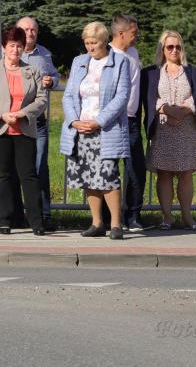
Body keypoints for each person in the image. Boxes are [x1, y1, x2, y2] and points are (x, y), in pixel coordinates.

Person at [0, 16, 59, 231]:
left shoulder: (33, 71)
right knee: (3, 175)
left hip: (24, 128)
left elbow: (41, 99)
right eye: (12, 45)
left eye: (19, 46)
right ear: (4, 47)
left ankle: (36, 221)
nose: (16, 50)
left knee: (29, 175)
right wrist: (2, 115)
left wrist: (22, 113)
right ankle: (5, 220)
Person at [60, 21, 131, 240]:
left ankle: (116, 224)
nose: (90, 47)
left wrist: (99, 121)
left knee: (108, 175)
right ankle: (97, 222)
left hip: (106, 129)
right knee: (88, 176)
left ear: (104, 41)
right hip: (81, 129)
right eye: (87, 43)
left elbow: (122, 97)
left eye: (94, 43)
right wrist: (74, 121)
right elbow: (69, 95)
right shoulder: (79, 61)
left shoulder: (120, 61)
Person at [141, 30, 196, 230]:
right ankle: (167, 218)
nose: (174, 50)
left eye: (178, 46)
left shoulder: (191, 72)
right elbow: (149, 98)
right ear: (162, 49)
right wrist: (166, 109)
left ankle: (188, 217)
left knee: (185, 173)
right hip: (162, 129)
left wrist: (185, 111)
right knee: (164, 174)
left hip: (185, 129)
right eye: (170, 47)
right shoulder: (152, 72)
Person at [109, 14, 146, 232]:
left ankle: (133, 215)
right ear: (121, 33)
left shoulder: (133, 53)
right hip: (112, 121)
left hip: (132, 120)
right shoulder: (107, 54)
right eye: (134, 32)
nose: (137, 35)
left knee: (136, 169)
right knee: (110, 170)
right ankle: (112, 217)